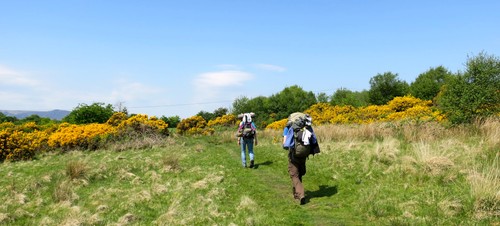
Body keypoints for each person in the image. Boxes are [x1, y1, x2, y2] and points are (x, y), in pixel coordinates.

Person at [283, 113, 319, 205]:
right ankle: (296, 194)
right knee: (299, 173)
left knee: (294, 174)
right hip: (304, 155)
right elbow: (314, 140)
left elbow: (286, 144)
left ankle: (301, 194)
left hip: (294, 155)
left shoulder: (292, 128)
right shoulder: (308, 128)